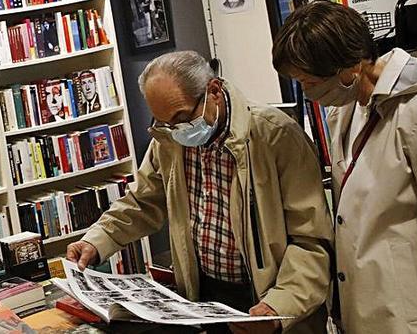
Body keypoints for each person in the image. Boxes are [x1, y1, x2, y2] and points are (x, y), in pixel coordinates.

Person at [270, 0, 417, 333]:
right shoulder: (347, 112)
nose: (307, 95)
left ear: (349, 69)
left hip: (416, 320)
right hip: (370, 314)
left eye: (308, 83)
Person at [67, 51, 332, 334]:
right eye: (164, 122)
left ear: (214, 91)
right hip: (202, 299)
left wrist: (279, 306)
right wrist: (97, 241)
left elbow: (311, 241)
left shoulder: (276, 135)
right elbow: (142, 201)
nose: (176, 129)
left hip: (268, 300)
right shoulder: (168, 139)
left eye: (182, 117)